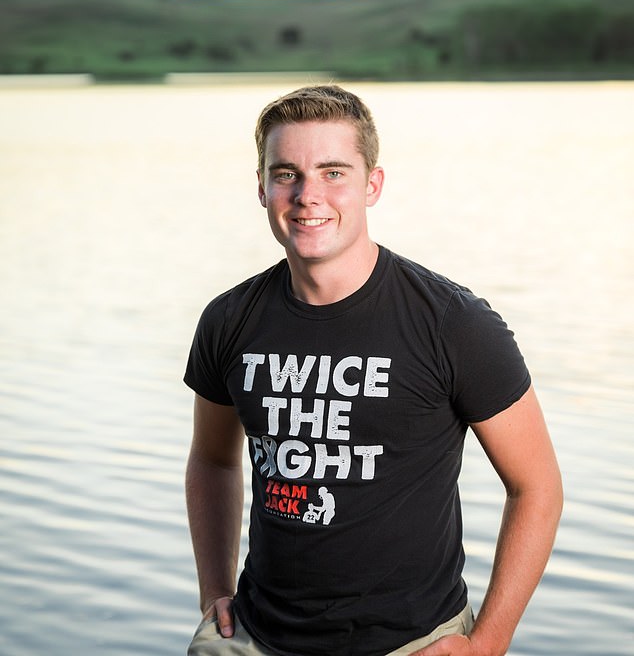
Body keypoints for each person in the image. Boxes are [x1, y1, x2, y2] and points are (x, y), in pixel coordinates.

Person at [184, 85, 563, 656]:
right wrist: (214, 587)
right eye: (286, 173)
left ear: (372, 185)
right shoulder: (229, 320)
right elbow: (213, 460)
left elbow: (537, 486)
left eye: (333, 172)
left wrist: (488, 643)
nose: (308, 195)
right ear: (261, 187)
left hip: (411, 643)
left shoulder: (454, 324)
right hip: (256, 637)